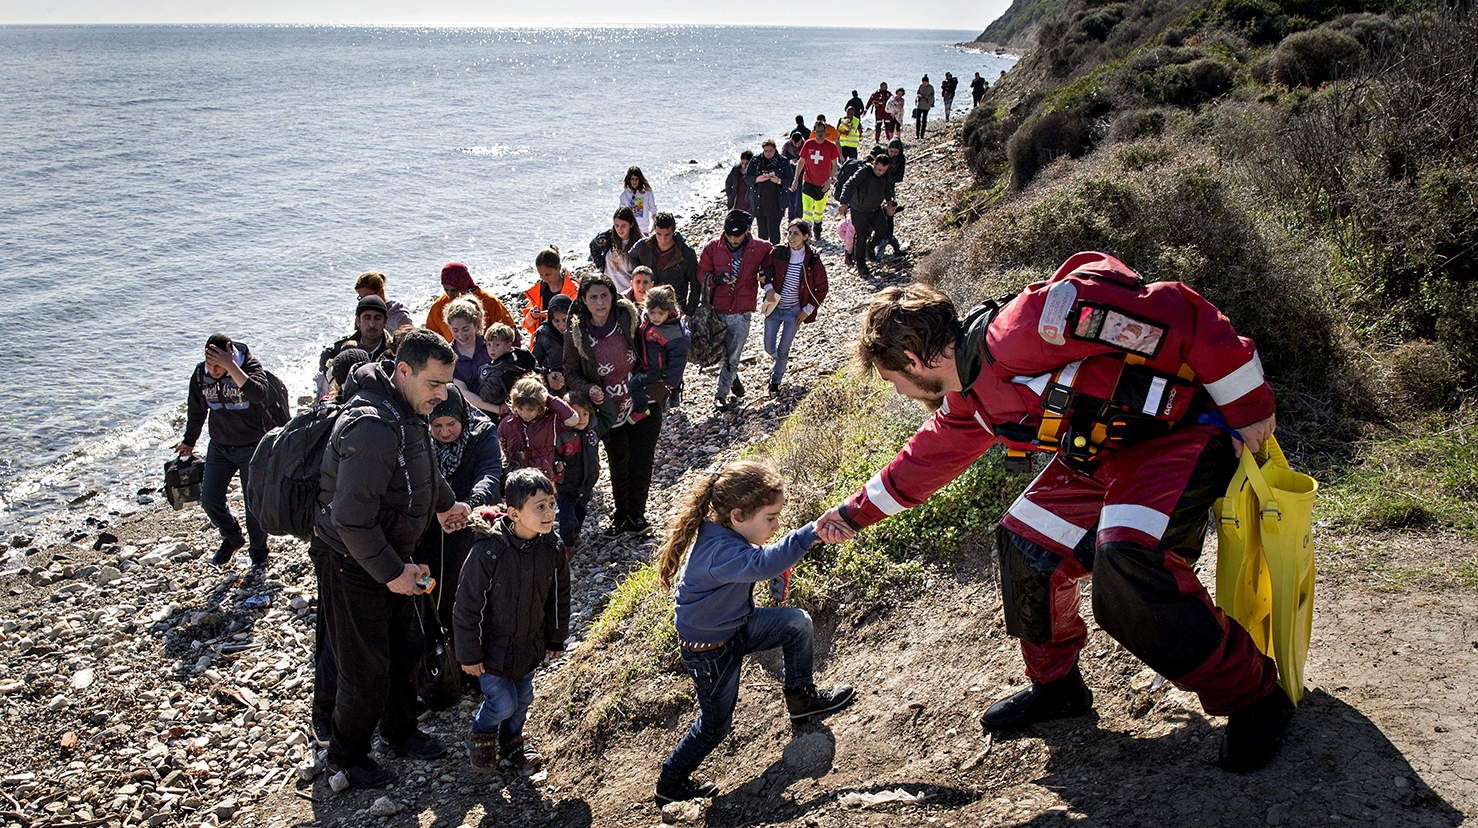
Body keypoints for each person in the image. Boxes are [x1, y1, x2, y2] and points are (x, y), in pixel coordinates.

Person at [815, 254, 1291, 772]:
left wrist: (1249, 405)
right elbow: (924, 461)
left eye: (892, 379)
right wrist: (851, 515)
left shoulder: (1027, 329)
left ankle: (1255, 695)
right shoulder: (972, 394)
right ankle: (1058, 688)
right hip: (1104, 454)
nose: (899, 392)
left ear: (912, 358)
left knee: (1128, 563)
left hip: (1180, 436)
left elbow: (1180, 312)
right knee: (1025, 547)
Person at [314, 329, 472, 788]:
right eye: (434, 385)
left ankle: (400, 731)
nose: (442, 397)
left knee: (406, 649)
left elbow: (422, 466)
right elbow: (350, 520)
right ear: (403, 371)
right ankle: (348, 757)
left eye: (447, 385)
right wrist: (392, 573)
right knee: (364, 668)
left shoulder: (408, 409)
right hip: (352, 562)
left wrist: (445, 503)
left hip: (394, 554)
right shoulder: (373, 427)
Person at [653, 460, 856, 805]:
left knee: (797, 623)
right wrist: (811, 531)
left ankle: (801, 700)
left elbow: (761, 560)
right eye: (771, 518)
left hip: (735, 627)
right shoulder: (719, 551)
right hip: (710, 651)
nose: (777, 526)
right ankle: (670, 784)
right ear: (737, 516)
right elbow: (763, 565)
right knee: (714, 727)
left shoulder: (726, 535)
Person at [454, 468, 570, 773]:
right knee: (502, 702)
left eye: (551, 504)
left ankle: (512, 739)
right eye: (539, 507)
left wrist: (555, 638)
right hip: (490, 652)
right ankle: (482, 732)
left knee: (523, 699)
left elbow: (559, 596)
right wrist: (468, 654)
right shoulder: (488, 551)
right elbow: (467, 606)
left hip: (528, 645)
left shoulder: (552, 548)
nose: (549, 513)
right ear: (513, 513)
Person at [563, 273, 660, 535]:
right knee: (618, 461)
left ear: (612, 296)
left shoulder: (628, 317)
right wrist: (588, 388)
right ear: (583, 300)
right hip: (608, 410)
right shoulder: (577, 332)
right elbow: (570, 372)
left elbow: (655, 339)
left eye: (604, 295)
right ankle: (621, 516)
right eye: (593, 297)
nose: (600, 302)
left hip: (643, 401)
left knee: (642, 459)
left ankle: (637, 515)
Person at [177, 334, 274, 567]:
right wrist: (189, 441)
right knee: (209, 499)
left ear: (230, 355)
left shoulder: (249, 366)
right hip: (220, 446)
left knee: (253, 504)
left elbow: (260, 393)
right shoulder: (201, 375)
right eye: (210, 365)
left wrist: (231, 368)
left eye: (218, 365)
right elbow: (196, 410)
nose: (214, 371)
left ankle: (259, 554)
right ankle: (232, 536)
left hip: (252, 446)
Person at [416, 385, 502, 635]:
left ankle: (468, 642)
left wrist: (471, 505)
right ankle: (434, 636)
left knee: (468, 585)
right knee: (429, 583)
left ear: (462, 418)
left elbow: (489, 472)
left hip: (470, 522)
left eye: (451, 424)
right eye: (437, 426)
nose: (444, 433)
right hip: (431, 525)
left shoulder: (483, 431)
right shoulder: (418, 434)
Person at [697, 210, 774, 412]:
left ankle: (720, 395)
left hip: (741, 312)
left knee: (733, 354)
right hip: (717, 311)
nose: (732, 239)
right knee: (721, 352)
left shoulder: (760, 247)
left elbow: (773, 257)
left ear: (746, 232)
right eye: (729, 235)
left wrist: (767, 273)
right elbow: (701, 274)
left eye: (736, 236)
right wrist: (716, 279)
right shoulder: (713, 248)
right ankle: (733, 380)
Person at [761, 220, 828, 395]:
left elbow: (822, 288)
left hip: (794, 313)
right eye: (789, 233)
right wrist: (768, 288)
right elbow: (764, 270)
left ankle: (775, 381)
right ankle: (779, 362)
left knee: (784, 349)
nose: (791, 237)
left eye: (796, 233)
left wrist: (807, 310)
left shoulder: (812, 260)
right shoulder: (777, 252)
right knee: (768, 347)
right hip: (774, 309)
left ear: (806, 236)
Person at [553, 391, 616, 559]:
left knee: (581, 511)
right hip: (565, 485)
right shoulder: (559, 434)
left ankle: (575, 535)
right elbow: (551, 453)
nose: (581, 418)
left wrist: (599, 397)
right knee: (566, 518)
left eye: (585, 413)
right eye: (575, 414)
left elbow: (611, 414)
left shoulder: (593, 428)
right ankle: (566, 545)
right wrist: (556, 463)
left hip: (587, 482)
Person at [499, 375, 581, 486]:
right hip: (517, 478)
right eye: (520, 409)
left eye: (530, 410)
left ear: (540, 407)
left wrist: (548, 398)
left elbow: (572, 419)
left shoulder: (548, 421)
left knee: (545, 501)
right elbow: (500, 446)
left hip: (544, 477)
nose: (524, 414)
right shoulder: (508, 423)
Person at [317, 294, 396, 399]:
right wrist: (338, 384)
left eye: (377, 318)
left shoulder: (393, 351)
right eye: (367, 318)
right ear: (358, 321)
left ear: (385, 322)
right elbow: (324, 362)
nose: (372, 324)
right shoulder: (342, 346)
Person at [630, 285, 691, 420]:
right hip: (646, 362)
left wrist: (670, 382)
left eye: (661, 313)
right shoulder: (644, 318)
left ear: (669, 311)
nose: (656, 317)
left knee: (635, 383)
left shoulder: (675, 332)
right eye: (652, 313)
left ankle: (641, 409)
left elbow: (679, 360)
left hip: (657, 370)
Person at [837, 150, 898, 279]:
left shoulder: (885, 174)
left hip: (875, 209)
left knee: (883, 230)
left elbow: (886, 188)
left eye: (883, 170)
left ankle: (870, 246)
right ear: (874, 163)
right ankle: (861, 266)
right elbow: (849, 185)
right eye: (879, 169)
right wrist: (843, 202)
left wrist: (888, 202)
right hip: (859, 209)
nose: (880, 172)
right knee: (861, 236)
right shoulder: (864, 172)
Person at [628, 212, 701, 317]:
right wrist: (641, 273)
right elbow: (631, 255)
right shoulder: (644, 245)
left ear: (673, 232)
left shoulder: (685, 253)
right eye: (659, 234)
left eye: (667, 235)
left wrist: (689, 313)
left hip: (673, 308)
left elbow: (695, 284)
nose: (663, 240)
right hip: (648, 305)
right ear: (654, 231)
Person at [426, 262, 518, 345]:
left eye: (455, 290)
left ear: (464, 284)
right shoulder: (439, 306)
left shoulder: (489, 302)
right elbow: (430, 339)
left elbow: (511, 334)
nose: (450, 295)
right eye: (446, 290)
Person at [792, 115, 841, 239]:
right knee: (807, 208)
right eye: (817, 131)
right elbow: (801, 161)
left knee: (819, 209)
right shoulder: (808, 144)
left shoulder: (831, 146)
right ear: (814, 132)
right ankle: (806, 231)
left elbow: (835, 165)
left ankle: (817, 227)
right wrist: (796, 179)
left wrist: (830, 180)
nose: (819, 134)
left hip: (823, 183)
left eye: (822, 131)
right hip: (808, 180)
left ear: (825, 132)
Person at [743, 139, 795, 247]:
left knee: (774, 230)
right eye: (766, 151)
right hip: (760, 202)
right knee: (762, 231)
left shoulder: (783, 161)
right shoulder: (756, 160)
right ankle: (763, 254)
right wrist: (757, 179)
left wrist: (779, 181)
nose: (768, 153)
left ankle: (775, 253)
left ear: (775, 149)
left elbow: (790, 180)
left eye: (770, 150)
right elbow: (746, 177)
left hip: (776, 202)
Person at [476, 323, 537, 416]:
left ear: (508, 346)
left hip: (503, 411)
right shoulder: (521, 356)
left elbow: (489, 396)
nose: (492, 349)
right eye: (489, 344)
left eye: (496, 345)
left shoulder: (498, 369)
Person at [521, 246, 579, 340]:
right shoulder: (538, 292)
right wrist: (533, 316)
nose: (544, 278)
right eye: (541, 275)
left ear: (559, 268)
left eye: (548, 274)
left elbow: (580, 319)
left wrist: (552, 315)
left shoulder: (574, 290)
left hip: (567, 342)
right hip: (545, 344)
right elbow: (526, 324)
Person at [444, 297, 491, 408]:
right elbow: (463, 392)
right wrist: (497, 409)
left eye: (465, 329)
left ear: (476, 324)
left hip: (497, 400)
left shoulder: (489, 345)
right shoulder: (449, 355)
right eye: (455, 330)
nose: (461, 335)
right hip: (470, 409)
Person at [589, 206, 644, 294]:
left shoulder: (639, 244)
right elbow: (593, 246)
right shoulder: (607, 237)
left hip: (628, 293)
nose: (619, 229)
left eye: (623, 226)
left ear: (631, 224)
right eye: (616, 225)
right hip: (608, 291)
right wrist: (600, 266)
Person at [531, 294, 573, 390]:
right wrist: (547, 376)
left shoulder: (581, 330)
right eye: (556, 321)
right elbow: (533, 363)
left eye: (565, 320)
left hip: (579, 383)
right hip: (555, 387)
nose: (561, 325)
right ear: (550, 319)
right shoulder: (544, 334)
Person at [619, 166, 658, 235]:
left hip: (644, 230)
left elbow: (653, 209)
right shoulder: (624, 195)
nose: (634, 181)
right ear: (629, 180)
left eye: (636, 179)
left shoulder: (647, 192)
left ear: (640, 179)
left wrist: (654, 226)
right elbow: (620, 215)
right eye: (632, 179)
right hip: (630, 231)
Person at [780, 131, 805, 221]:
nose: (797, 145)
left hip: (802, 173)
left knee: (800, 197)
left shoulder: (805, 145)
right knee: (791, 196)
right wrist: (790, 161)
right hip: (790, 172)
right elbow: (782, 158)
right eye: (795, 143)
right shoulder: (787, 146)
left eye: (799, 143)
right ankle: (791, 217)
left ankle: (798, 217)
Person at [914, 75, 935, 139]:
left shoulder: (931, 88)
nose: (924, 84)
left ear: (927, 82)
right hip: (920, 105)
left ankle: (922, 135)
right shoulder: (921, 86)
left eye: (925, 82)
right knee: (918, 120)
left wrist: (927, 97)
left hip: (926, 106)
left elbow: (932, 96)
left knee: (924, 120)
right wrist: (919, 96)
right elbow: (918, 93)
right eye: (923, 82)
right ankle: (917, 134)